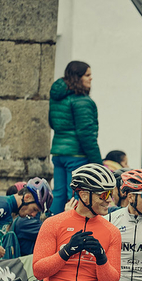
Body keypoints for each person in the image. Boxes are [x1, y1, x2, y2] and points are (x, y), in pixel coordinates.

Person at [49, 61, 102, 214]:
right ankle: (73, 230)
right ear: (77, 77)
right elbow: (86, 134)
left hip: (58, 153)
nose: (91, 78)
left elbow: (53, 123)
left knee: (58, 194)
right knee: (74, 195)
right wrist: (97, 163)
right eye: (87, 75)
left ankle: (51, 224)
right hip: (76, 155)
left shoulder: (58, 97)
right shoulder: (82, 101)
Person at [0, 178, 52, 264]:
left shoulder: (8, 209)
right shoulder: (3, 205)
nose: (33, 214)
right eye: (34, 209)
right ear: (27, 197)